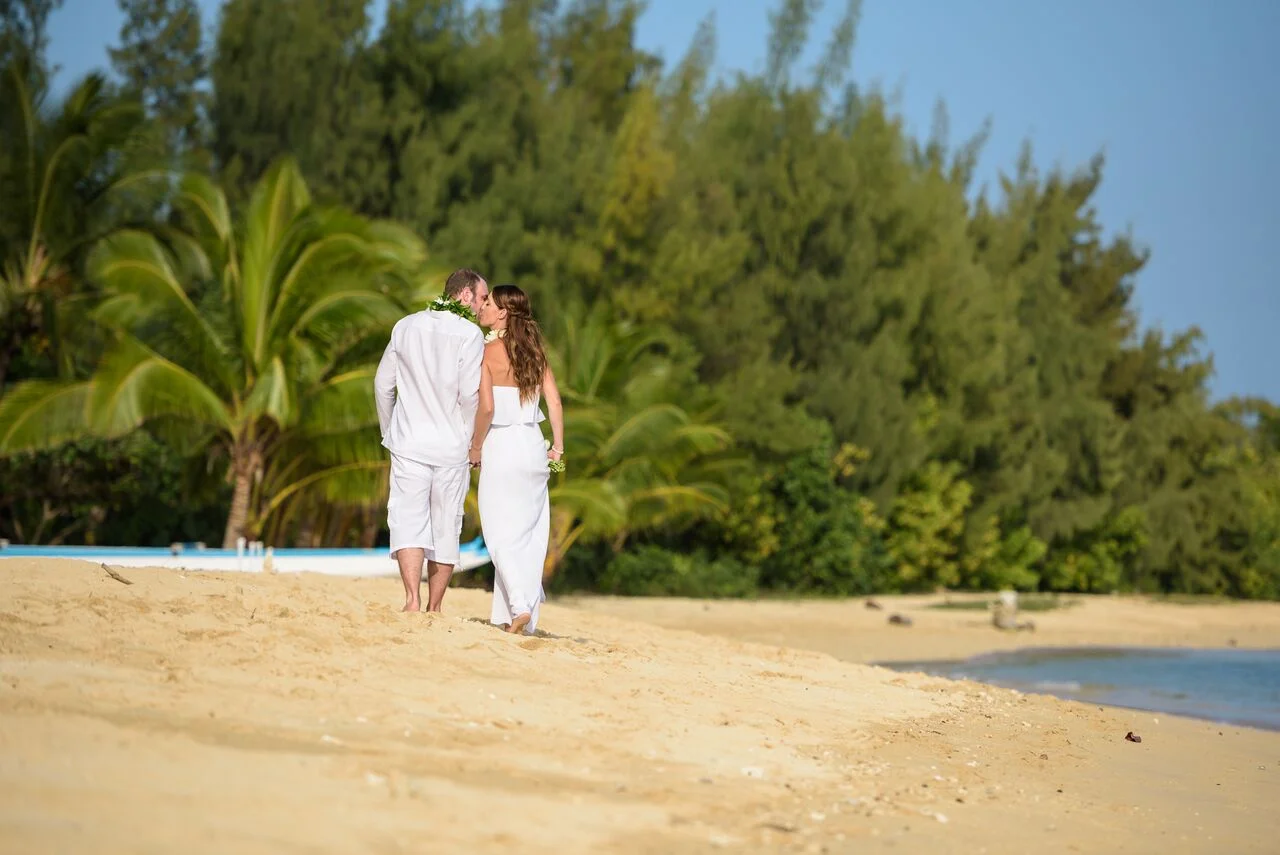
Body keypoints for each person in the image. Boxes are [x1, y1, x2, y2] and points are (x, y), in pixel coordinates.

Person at [374, 268, 488, 612]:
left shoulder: (405, 326)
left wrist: (388, 431)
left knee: (407, 519)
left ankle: (411, 599)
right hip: (452, 446)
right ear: (465, 295)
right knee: (445, 525)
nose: (485, 306)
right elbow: (470, 397)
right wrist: (472, 441)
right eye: (483, 298)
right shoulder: (470, 334)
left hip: (408, 442)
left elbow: (383, 385)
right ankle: (434, 608)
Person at [469, 284, 564, 635]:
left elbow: (487, 407)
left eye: (489, 303)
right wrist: (558, 448)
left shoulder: (486, 351)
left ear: (503, 312)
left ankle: (521, 606)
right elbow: (554, 402)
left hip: (502, 444)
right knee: (529, 533)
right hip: (533, 445)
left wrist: (476, 446)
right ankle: (515, 616)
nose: (484, 307)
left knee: (498, 532)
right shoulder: (535, 352)